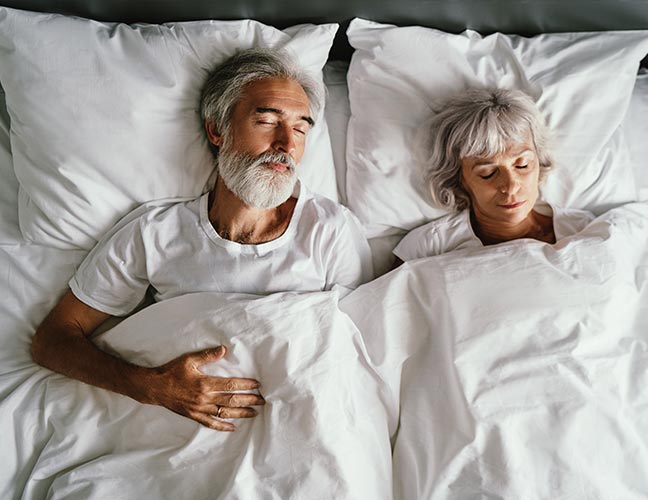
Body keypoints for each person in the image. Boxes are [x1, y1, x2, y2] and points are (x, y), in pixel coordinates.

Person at [31, 48, 373, 432]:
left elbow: (362, 355)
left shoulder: (331, 230)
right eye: (266, 120)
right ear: (217, 130)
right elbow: (53, 341)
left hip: (304, 427)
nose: (286, 145)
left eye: (300, 128)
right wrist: (151, 386)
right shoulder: (154, 233)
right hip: (181, 435)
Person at [394, 88, 595, 261]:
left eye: (522, 165)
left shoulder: (584, 229)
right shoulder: (428, 248)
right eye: (488, 173)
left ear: (539, 162)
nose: (510, 185)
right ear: (458, 179)